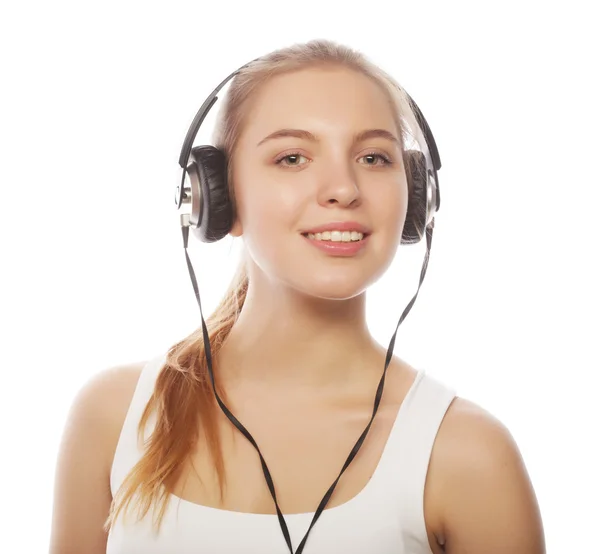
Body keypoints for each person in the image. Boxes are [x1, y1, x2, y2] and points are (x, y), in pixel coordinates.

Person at [49, 39, 546, 554]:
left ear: (418, 197)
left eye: (374, 157)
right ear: (214, 197)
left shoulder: (467, 455)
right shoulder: (117, 415)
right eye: (292, 158)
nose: (342, 188)